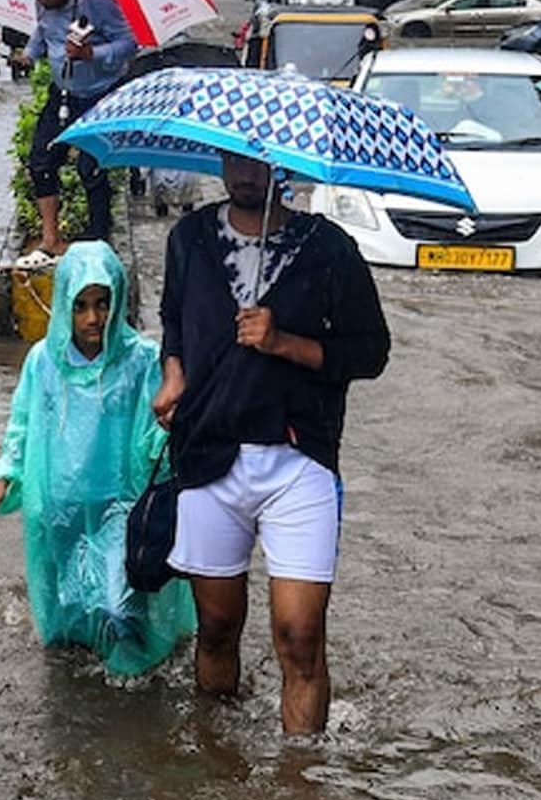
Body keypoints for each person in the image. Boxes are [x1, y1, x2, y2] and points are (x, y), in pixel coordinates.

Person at [152, 154, 391, 734]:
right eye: (234, 160)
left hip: (298, 460)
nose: (244, 174)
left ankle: (300, 790)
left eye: (257, 163)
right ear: (218, 160)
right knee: (216, 626)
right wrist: (173, 376)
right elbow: (175, 325)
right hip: (209, 454)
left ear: (280, 168)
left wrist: (283, 341)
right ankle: (215, 764)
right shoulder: (188, 239)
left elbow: (370, 352)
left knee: (300, 635)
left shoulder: (328, 248)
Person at [0, 242, 196, 676]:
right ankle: (81, 683)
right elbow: (22, 428)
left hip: (120, 508)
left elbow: (156, 435)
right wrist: (3, 479)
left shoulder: (142, 360)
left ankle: (130, 678)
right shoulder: (43, 363)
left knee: (118, 604)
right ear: (63, 305)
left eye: (102, 304)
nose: (93, 318)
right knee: (67, 606)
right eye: (80, 306)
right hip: (59, 510)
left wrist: (171, 426)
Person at [10, 0, 138, 257]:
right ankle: (50, 238)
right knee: (42, 161)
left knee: (90, 168)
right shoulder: (43, 4)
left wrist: (91, 54)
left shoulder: (99, 1)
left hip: (100, 94)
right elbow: (42, 34)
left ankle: (99, 242)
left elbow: (129, 44)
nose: (43, 3)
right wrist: (28, 54)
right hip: (62, 92)